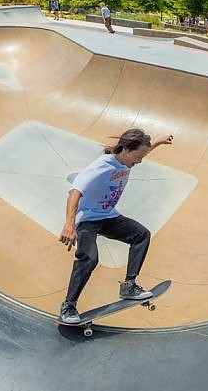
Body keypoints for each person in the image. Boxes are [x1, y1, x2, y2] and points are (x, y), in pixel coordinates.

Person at [58, 128, 174, 324]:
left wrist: (159, 142)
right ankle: (68, 306)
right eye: (138, 156)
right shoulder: (102, 166)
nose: (140, 161)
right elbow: (74, 192)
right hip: (87, 219)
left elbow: (143, 151)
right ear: (127, 149)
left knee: (141, 235)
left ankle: (129, 285)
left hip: (109, 216)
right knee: (89, 258)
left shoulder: (126, 160)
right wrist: (69, 225)